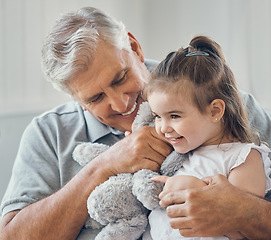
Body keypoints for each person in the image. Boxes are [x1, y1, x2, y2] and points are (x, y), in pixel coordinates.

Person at [0, 6, 270, 240]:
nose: (120, 104)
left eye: (120, 77)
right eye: (95, 98)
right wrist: (102, 167)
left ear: (134, 47)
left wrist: (244, 213)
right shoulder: (49, 134)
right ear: (77, 100)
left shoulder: (225, 104)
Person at [142, 35, 271, 240]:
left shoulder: (243, 157)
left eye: (174, 116)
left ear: (215, 111)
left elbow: (243, 229)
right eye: (158, 116)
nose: (163, 128)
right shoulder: (180, 153)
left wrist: (195, 190)